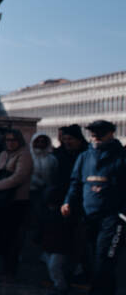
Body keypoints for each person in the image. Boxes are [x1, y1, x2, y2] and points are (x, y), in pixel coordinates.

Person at [61, 120, 126, 295]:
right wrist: (68, 201)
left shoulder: (121, 156)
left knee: (105, 258)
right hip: (89, 215)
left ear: (111, 133)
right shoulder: (84, 157)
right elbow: (75, 183)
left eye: (100, 133)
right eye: (93, 133)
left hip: (113, 217)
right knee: (93, 258)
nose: (95, 136)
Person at [0, 128, 33, 280]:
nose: (10, 143)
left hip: (16, 200)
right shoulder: (3, 154)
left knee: (12, 235)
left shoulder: (24, 155)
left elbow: (18, 177)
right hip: (1, 200)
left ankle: (10, 268)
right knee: (0, 234)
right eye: (7, 140)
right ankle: (3, 264)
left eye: (13, 140)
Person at [29, 132, 59, 221]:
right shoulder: (28, 157)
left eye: (42, 142)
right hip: (31, 192)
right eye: (37, 141)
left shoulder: (52, 159)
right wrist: (40, 183)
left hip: (47, 192)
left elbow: (55, 175)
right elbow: (27, 174)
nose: (40, 144)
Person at [53, 124, 88, 195]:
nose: (67, 142)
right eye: (65, 139)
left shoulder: (87, 154)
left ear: (79, 140)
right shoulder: (59, 154)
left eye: (70, 139)